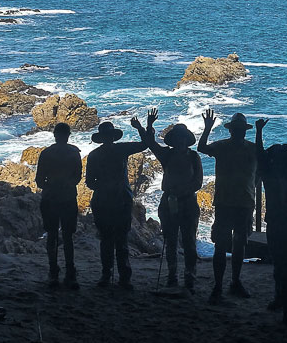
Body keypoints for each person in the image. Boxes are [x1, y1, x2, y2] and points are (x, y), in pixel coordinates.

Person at [135, 108, 203, 291]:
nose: (180, 142)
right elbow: (150, 143)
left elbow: (198, 182)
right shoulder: (167, 154)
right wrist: (148, 125)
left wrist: (181, 191)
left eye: (182, 139)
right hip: (169, 203)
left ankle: (190, 275)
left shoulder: (194, 156)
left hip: (188, 203)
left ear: (186, 141)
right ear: (173, 142)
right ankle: (172, 275)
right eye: (177, 139)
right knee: (171, 241)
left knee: (189, 242)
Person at [198, 109, 258, 303]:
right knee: (230, 244)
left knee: (232, 244)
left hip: (231, 202)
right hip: (238, 202)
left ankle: (225, 285)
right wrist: (206, 129)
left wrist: (207, 129)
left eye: (240, 129)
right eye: (238, 129)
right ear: (235, 130)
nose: (239, 132)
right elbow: (201, 148)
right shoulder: (251, 148)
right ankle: (227, 284)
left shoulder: (224, 146)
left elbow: (201, 147)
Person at [85, 118, 149, 289]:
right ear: (113, 137)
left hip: (102, 201)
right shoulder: (121, 149)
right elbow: (145, 144)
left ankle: (107, 275)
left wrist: (104, 186)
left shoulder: (94, 155)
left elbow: (90, 183)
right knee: (121, 240)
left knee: (106, 240)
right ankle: (124, 278)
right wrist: (142, 127)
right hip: (121, 199)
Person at [255, 116, 287, 324]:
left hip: (275, 224)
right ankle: (285, 301)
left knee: (279, 264)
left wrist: (259, 132)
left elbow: (260, 156)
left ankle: (283, 300)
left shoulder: (268, 175)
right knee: (285, 265)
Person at [35, 122, 83, 289]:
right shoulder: (74, 153)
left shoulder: (46, 153)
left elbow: (39, 181)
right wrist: (66, 184)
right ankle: (70, 273)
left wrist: (51, 185)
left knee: (52, 235)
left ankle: (53, 271)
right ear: (69, 135)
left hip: (49, 198)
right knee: (68, 236)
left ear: (55, 135)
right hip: (69, 198)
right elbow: (78, 177)